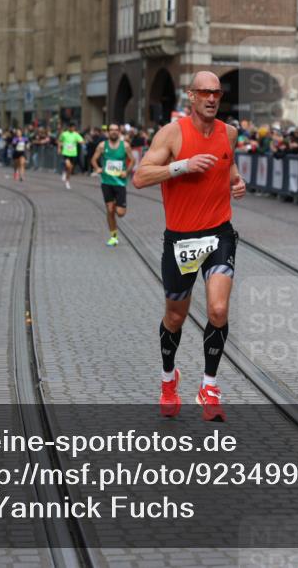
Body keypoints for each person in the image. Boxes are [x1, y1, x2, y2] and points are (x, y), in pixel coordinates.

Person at [132, 71, 246, 422]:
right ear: (191, 96)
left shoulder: (229, 133)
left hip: (219, 234)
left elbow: (228, 166)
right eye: (204, 92)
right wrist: (182, 166)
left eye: (217, 93)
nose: (211, 98)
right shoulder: (172, 133)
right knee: (175, 317)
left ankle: (209, 387)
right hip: (181, 239)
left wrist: (237, 181)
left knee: (218, 310)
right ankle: (169, 380)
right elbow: (140, 177)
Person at [90, 122, 133, 246]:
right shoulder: (102, 145)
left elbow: (132, 160)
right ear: (108, 132)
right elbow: (93, 159)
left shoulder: (125, 146)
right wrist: (97, 168)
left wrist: (127, 172)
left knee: (120, 213)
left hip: (120, 183)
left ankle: (117, 205)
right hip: (106, 182)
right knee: (110, 210)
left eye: (116, 130)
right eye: (111, 130)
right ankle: (114, 237)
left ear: (119, 132)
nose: (114, 132)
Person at [58, 122, 85, 189]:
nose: (73, 128)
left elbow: (82, 141)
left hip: (73, 154)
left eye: (74, 127)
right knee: (68, 165)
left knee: (70, 169)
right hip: (66, 153)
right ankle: (65, 172)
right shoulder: (64, 134)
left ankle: (67, 181)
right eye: (72, 127)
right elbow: (60, 141)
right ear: (69, 127)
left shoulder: (76, 134)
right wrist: (59, 148)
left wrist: (81, 142)